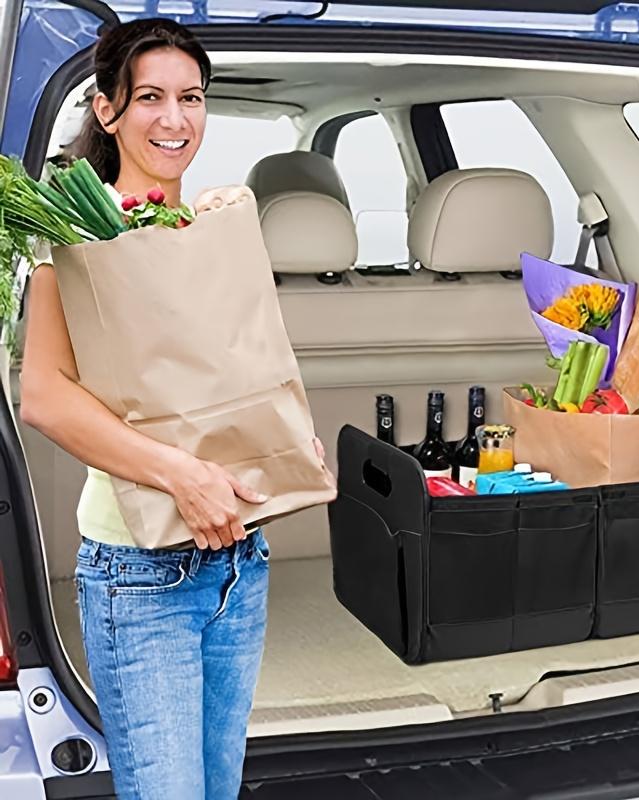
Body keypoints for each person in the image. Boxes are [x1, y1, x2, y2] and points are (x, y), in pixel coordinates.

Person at [20, 18, 324, 800]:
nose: (175, 118)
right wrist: (181, 475)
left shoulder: (216, 229)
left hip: (239, 563)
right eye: (150, 97)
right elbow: (45, 397)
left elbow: (239, 374)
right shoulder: (73, 242)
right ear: (108, 109)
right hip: (139, 571)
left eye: (191, 97)